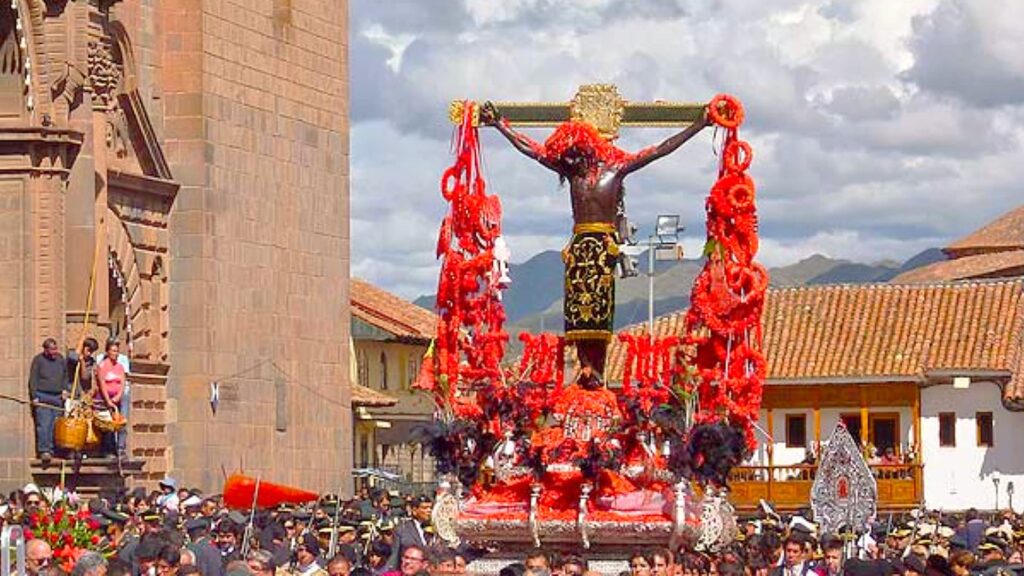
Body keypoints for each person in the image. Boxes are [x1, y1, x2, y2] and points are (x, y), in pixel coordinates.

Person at [481, 100, 709, 376]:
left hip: (602, 247)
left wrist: (698, 125)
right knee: (577, 314)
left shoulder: (617, 166)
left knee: (599, 312)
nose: (575, 151)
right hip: (579, 248)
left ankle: (595, 372)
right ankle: (584, 370)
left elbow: (661, 149)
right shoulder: (571, 170)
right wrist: (500, 125)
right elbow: (532, 149)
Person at [28, 338, 68, 461]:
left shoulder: (61, 359)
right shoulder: (38, 360)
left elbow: (65, 376)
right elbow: (33, 379)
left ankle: (56, 451)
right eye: (52, 349)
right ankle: (45, 450)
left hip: (57, 397)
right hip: (43, 396)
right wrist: (34, 396)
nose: (55, 352)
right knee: (44, 424)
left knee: (56, 426)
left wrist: (65, 389)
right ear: (45, 350)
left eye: (56, 349)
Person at [95, 338, 131, 457]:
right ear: (107, 352)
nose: (115, 353)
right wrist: (108, 401)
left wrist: (119, 396)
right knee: (108, 425)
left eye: (116, 351)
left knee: (122, 422)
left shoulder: (120, 366)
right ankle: (108, 450)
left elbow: (122, 382)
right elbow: (102, 384)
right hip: (105, 398)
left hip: (119, 397)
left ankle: (121, 448)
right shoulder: (102, 366)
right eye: (113, 351)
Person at [388, 496, 433, 568]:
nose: (429, 510)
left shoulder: (435, 530)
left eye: (430, 508)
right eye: (425, 508)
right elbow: (394, 557)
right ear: (415, 510)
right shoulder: (402, 530)